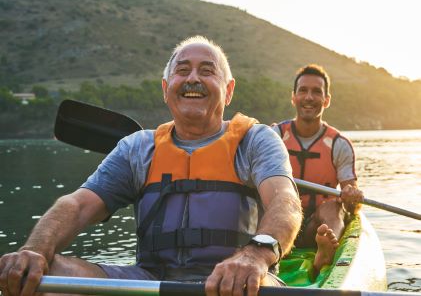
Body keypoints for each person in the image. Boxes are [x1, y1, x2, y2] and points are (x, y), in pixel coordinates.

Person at [0, 36, 302, 296]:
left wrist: (255, 255)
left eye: (207, 71)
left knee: (257, 282)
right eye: (182, 71)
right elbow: (78, 205)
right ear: (165, 87)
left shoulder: (255, 139)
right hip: (147, 282)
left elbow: (284, 202)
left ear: (229, 90)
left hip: (232, 283)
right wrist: (35, 249)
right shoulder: (137, 147)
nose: (193, 79)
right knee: (41, 275)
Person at [271, 64, 363, 274]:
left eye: (316, 92)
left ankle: (326, 248)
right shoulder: (274, 136)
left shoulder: (339, 144)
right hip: (279, 221)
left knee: (333, 206)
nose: (309, 97)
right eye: (303, 90)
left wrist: (352, 197)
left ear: (326, 100)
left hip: (316, 227)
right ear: (293, 97)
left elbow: (353, 207)